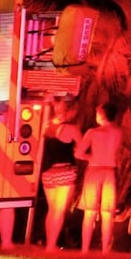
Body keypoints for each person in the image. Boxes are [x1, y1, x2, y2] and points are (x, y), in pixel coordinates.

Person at [75, 102, 124, 253]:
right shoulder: (120, 132)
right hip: (110, 171)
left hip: (94, 170)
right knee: (108, 213)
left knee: (89, 211)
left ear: (102, 115)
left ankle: (84, 249)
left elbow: (78, 153)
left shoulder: (93, 132)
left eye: (97, 113)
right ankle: (105, 250)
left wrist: (91, 156)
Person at [39, 99, 83, 251]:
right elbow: (81, 151)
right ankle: (51, 245)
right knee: (59, 210)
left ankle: (48, 244)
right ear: (70, 111)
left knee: (51, 210)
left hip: (47, 173)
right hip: (65, 171)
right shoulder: (72, 129)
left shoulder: (46, 125)